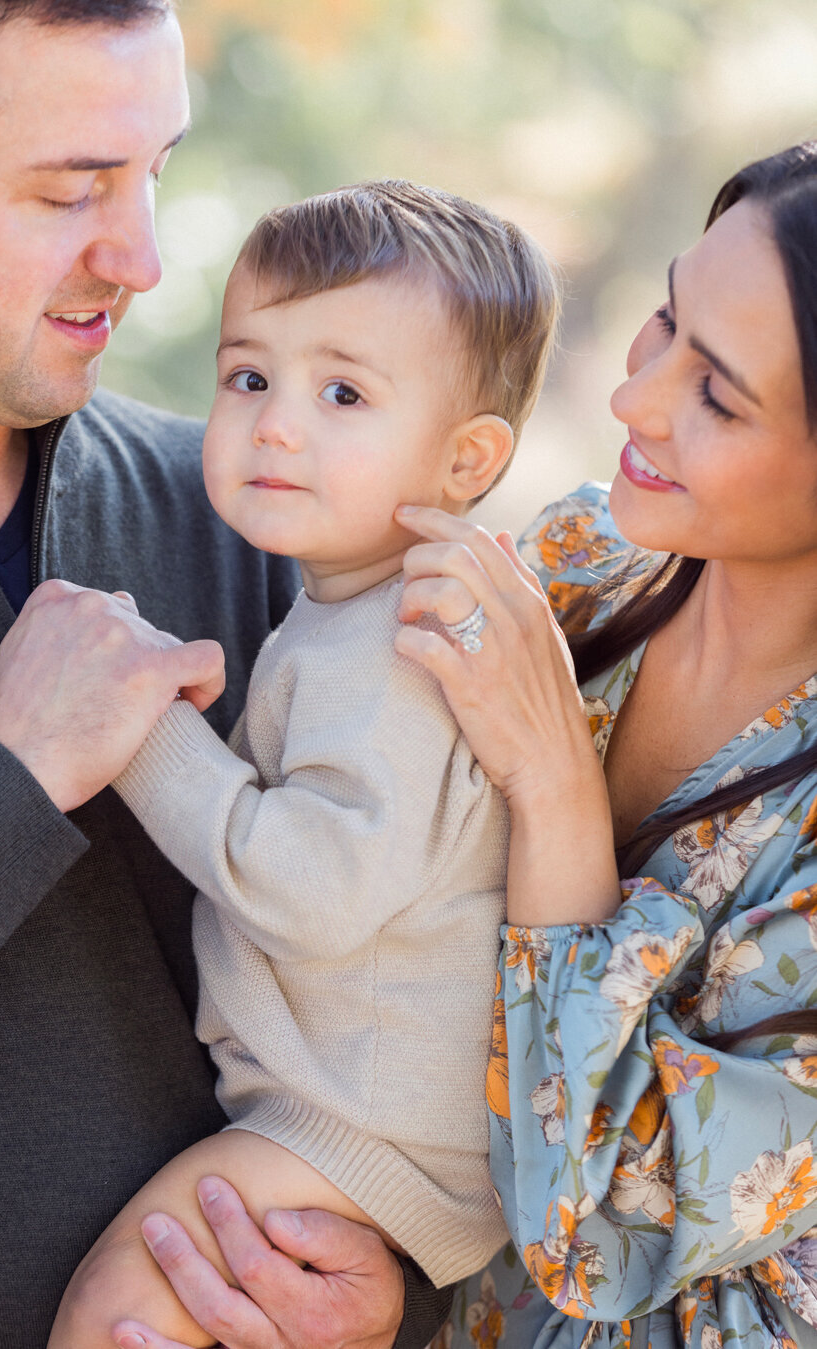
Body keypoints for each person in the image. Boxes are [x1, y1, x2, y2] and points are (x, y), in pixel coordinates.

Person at [0, 2, 453, 1346]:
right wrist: (12, 773)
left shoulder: (265, 525)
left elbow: (432, 963)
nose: (144, 258)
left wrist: (390, 1280)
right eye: (71, 188)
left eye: (153, 170)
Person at [47, 179, 559, 1349]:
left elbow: (315, 888)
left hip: (361, 1131)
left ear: (468, 457)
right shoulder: (346, 604)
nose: (277, 422)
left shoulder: (395, 647)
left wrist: (135, 726)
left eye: (342, 392)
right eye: (249, 377)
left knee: (116, 1310)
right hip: (344, 1110)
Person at [388, 141, 817, 1347]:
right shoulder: (585, 567)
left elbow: (598, 1228)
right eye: (667, 319)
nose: (635, 399)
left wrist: (554, 788)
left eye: (717, 394)